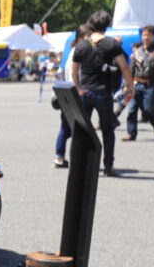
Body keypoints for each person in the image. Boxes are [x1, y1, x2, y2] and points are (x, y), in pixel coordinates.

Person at [71, 10, 134, 176]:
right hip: (103, 93)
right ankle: (108, 165)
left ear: (90, 23)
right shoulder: (112, 44)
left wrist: (78, 88)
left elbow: (74, 70)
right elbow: (124, 66)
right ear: (108, 25)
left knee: (82, 129)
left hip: (85, 92)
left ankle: (79, 164)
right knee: (107, 130)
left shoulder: (81, 45)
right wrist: (130, 85)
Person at [53, 25, 92, 168]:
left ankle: (59, 157)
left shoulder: (71, 50)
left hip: (66, 92)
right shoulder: (80, 52)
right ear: (81, 38)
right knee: (78, 129)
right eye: (88, 36)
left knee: (65, 128)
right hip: (75, 92)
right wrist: (80, 88)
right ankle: (77, 159)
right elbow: (75, 74)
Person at [123, 25, 154, 141]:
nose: (146, 37)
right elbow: (131, 68)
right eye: (144, 35)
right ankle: (131, 133)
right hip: (136, 83)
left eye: (148, 35)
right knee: (132, 109)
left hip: (150, 84)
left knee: (148, 109)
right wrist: (127, 84)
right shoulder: (138, 50)